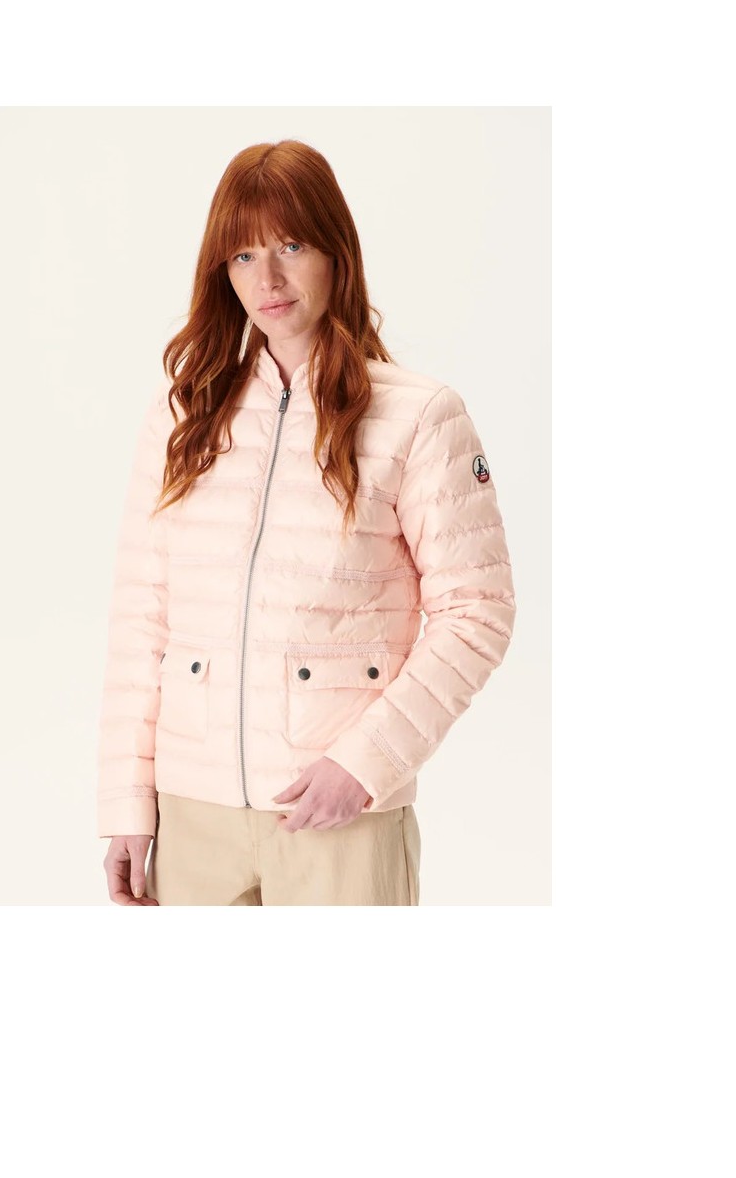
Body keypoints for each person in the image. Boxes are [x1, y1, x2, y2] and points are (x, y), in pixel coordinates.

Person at [97, 139, 516, 905]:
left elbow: (477, 611)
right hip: (192, 814)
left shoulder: (419, 415)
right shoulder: (182, 415)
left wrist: (364, 764)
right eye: (244, 255)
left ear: (335, 251)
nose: (268, 279)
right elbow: (142, 620)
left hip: (339, 816)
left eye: (290, 246)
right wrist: (127, 806)